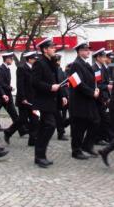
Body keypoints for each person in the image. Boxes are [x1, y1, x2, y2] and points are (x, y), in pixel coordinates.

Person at [30, 38, 62, 168]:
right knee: (50, 125)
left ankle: (40, 156)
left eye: (54, 47)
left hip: (51, 100)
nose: (54, 49)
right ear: (44, 49)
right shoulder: (40, 63)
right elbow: (35, 82)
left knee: (45, 127)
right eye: (52, 47)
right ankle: (39, 155)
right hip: (43, 101)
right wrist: (50, 87)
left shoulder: (50, 62)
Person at [68, 41, 101, 160]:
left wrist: (96, 89)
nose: (88, 51)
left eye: (89, 49)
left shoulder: (85, 64)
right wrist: (92, 92)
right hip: (79, 101)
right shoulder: (75, 65)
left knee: (95, 121)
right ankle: (76, 151)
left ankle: (87, 145)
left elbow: (92, 80)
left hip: (88, 99)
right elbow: (77, 83)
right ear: (79, 51)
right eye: (86, 50)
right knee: (79, 127)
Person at [8, 51, 39, 146]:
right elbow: (20, 85)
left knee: (35, 119)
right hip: (24, 100)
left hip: (33, 99)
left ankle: (32, 141)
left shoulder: (35, 69)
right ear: (29, 59)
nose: (36, 60)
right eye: (34, 59)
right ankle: (8, 132)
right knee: (22, 120)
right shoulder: (22, 68)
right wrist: (23, 98)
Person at [0, 52, 27, 141]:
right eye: (11, 58)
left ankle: (21, 130)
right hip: (2, 96)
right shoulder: (1, 69)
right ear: (6, 59)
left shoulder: (7, 68)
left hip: (7, 95)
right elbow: (0, 83)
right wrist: (9, 87)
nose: (12, 60)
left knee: (15, 115)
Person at [91, 48, 114, 145]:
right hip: (98, 98)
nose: (105, 58)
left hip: (103, 97)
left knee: (103, 119)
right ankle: (99, 138)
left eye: (105, 56)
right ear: (97, 58)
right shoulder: (96, 69)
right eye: (103, 57)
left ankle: (103, 137)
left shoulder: (102, 68)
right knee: (101, 119)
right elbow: (98, 85)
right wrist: (107, 87)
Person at [53, 54, 70, 141]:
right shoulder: (57, 70)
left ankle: (61, 132)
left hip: (57, 97)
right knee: (57, 117)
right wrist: (64, 96)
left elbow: (63, 84)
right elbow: (61, 85)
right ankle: (61, 133)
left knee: (56, 117)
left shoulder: (58, 70)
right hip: (54, 98)